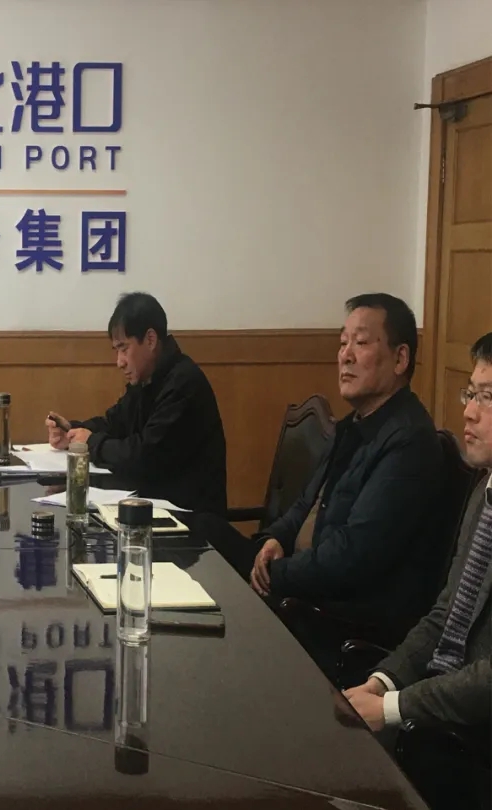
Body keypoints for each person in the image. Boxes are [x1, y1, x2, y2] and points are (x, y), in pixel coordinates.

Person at [342, 332, 492, 810]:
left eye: (488, 398)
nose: (469, 412)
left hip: (475, 738)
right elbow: (446, 613)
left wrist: (393, 708)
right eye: (471, 393)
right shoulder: (485, 488)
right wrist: (383, 681)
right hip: (438, 705)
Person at [243, 294, 443, 643]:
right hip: (302, 591)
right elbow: (304, 505)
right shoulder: (352, 425)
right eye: (342, 343)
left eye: (361, 343)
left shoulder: (410, 441)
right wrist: (275, 539)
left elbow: (353, 556)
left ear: (400, 358)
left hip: (342, 623)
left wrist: (276, 573)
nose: (345, 355)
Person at [45, 292, 227, 514]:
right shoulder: (147, 379)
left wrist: (90, 443)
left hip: (191, 521)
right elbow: (114, 423)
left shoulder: (183, 383)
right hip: (153, 508)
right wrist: (72, 431)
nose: (119, 362)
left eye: (124, 349)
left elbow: (145, 456)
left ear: (150, 340)